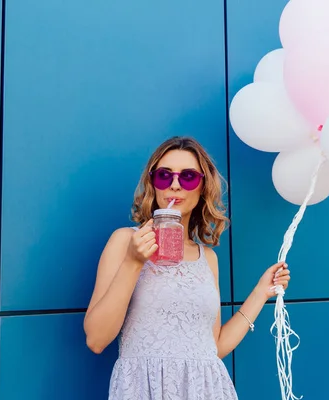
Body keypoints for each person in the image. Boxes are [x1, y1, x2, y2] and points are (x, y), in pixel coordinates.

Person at [83, 136, 290, 399]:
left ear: (203, 187)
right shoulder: (125, 241)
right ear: (153, 184)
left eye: (188, 177)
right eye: (164, 176)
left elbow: (212, 347)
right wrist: (133, 262)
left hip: (207, 390)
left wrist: (261, 293)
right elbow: (96, 339)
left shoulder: (208, 258)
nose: (175, 185)